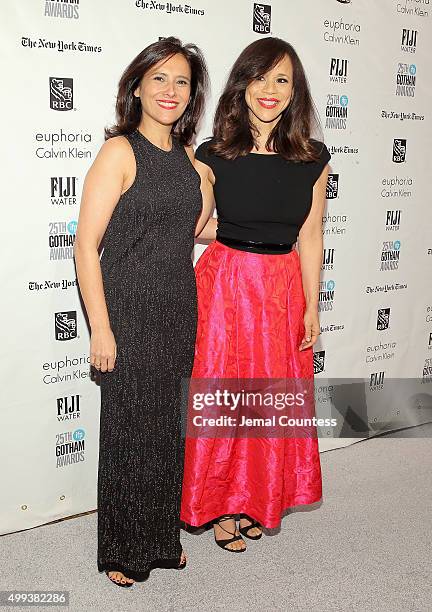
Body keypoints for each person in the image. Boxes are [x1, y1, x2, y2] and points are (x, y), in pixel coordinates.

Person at [180, 37, 330, 552]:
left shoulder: (312, 157)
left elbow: (312, 235)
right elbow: (196, 225)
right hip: (225, 285)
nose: (270, 90)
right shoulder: (213, 153)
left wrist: (313, 303)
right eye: (260, 78)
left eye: (282, 80)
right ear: (242, 85)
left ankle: (255, 500)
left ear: (295, 91)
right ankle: (220, 506)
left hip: (283, 286)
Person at [74, 37, 210, 586]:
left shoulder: (192, 163)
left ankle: (161, 538)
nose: (169, 90)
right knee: (130, 430)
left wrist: (269, 233)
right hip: (127, 311)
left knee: (167, 430)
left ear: (192, 94)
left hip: (180, 308)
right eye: (159, 78)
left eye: (181, 81)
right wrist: (100, 328)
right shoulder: (119, 152)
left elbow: (195, 231)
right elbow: (86, 246)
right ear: (137, 86)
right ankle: (120, 550)